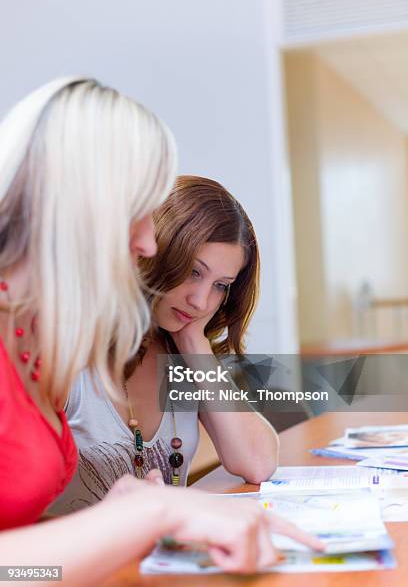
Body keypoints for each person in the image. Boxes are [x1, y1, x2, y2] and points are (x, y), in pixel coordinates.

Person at [0, 77, 323, 582]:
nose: (148, 243)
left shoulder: (33, 336)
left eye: (220, 285)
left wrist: (126, 518)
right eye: (138, 210)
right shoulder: (55, 345)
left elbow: (24, 565)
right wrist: (145, 516)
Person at [53, 175, 280, 513]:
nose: (201, 301)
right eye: (193, 271)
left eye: (221, 285)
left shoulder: (181, 354)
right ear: (154, 254)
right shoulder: (67, 350)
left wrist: (192, 340)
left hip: (158, 560)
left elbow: (258, 463)